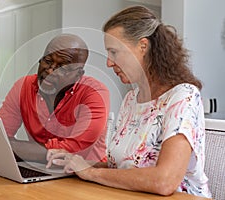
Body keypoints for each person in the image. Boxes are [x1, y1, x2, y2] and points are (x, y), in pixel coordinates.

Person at [46, 6, 212, 198]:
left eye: (114, 52)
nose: (108, 62)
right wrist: (79, 163)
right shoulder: (131, 100)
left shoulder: (183, 97)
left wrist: (90, 172)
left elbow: (165, 181)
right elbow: (124, 167)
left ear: (143, 46)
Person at [0, 33, 110, 163]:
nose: (50, 71)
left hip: (85, 177)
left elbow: (73, 151)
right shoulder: (23, 86)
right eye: (48, 61)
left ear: (78, 75)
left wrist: (9, 146)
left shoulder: (94, 92)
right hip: (39, 170)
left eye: (63, 68)